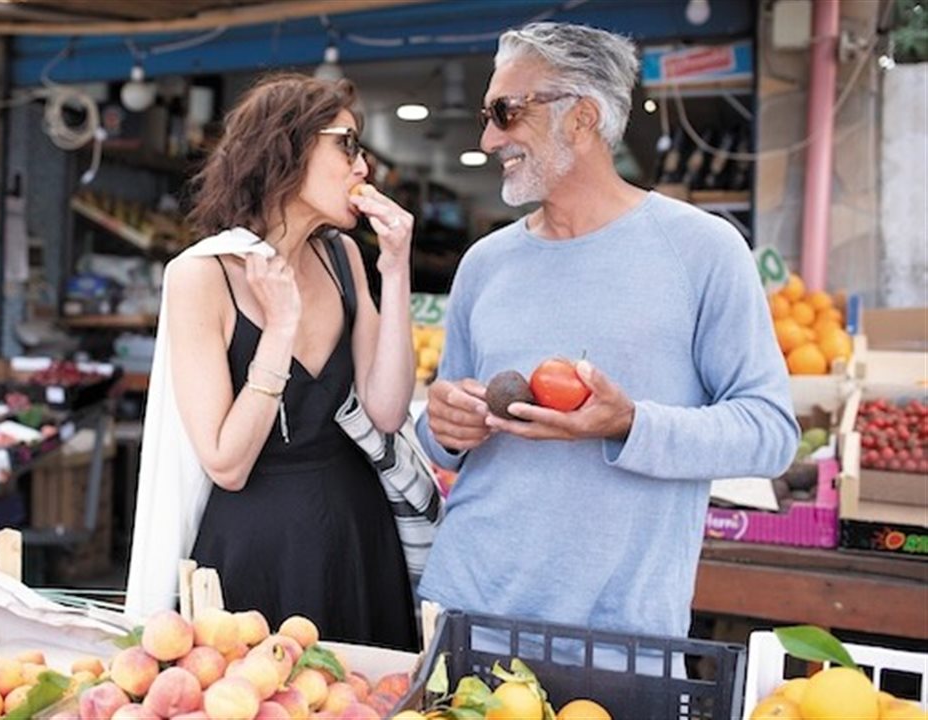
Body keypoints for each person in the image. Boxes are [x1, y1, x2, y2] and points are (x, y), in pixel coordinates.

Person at [415, 22, 799, 645]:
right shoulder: (484, 263)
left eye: (505, 112)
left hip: (618, 636)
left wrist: (630, 424)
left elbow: (770, 433)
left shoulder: (702, 250)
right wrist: (442, 426)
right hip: (466, 609)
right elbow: (439, 434)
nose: (488, 138)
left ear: (582, 117)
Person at [126, 74, 418, 649]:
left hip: (358, 534)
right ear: (288, 146)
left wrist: (397, 267)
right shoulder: (201, 276)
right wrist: (279, 329)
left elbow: (385, 411)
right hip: (255, 546)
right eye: (349, 144)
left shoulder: (343, 259)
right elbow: (227, 464)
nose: (364, 168)